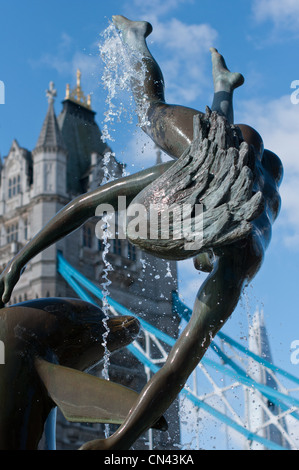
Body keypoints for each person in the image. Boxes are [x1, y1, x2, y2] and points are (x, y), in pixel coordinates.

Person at [0, 16, 283, 450]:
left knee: (160, 113)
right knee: (183, 123)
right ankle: (199, 74)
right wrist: (22, 260)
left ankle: (203, 78)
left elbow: (172, 369)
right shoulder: (188, 177)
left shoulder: (235, 262)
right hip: (226, 170)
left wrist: (117, 442)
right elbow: (83, 205)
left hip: (238, 170)